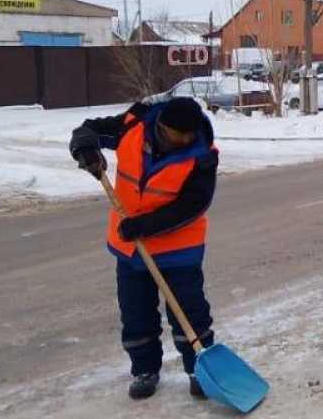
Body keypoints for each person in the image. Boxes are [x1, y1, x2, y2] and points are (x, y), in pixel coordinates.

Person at [69, 97, 219, 400]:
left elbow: (192, 206)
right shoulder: (134, 125)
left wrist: (145, 225)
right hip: (130, 249)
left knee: (189, 314)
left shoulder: (202, 155)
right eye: (178, 137)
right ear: (161, 126)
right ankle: (144, 369)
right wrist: (85, 149)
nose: (183, 142)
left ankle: (199, 370)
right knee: (135, 312)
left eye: (188, 137)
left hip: (179, 249)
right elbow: (87, 131)